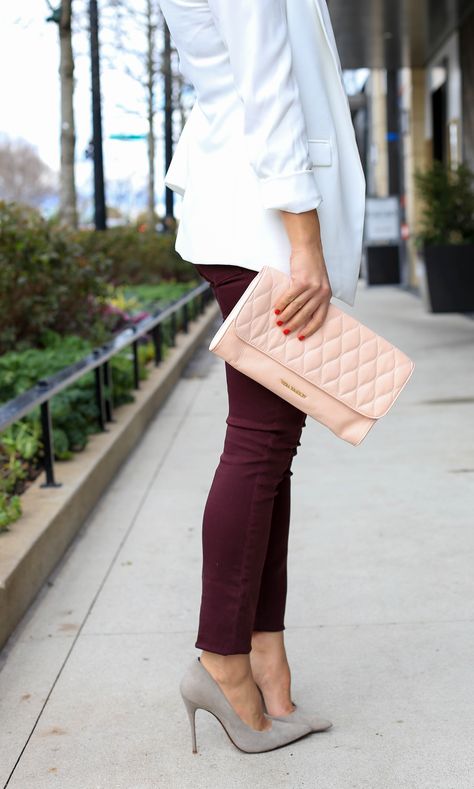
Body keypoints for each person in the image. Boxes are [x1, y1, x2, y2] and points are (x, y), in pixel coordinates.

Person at [158, 0, 366, 754]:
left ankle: (266, 661)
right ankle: (221, 658)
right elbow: (269, 84)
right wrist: (303, 239)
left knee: (270, 444)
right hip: (262, 221)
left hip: (248, 208)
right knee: (258, 443)